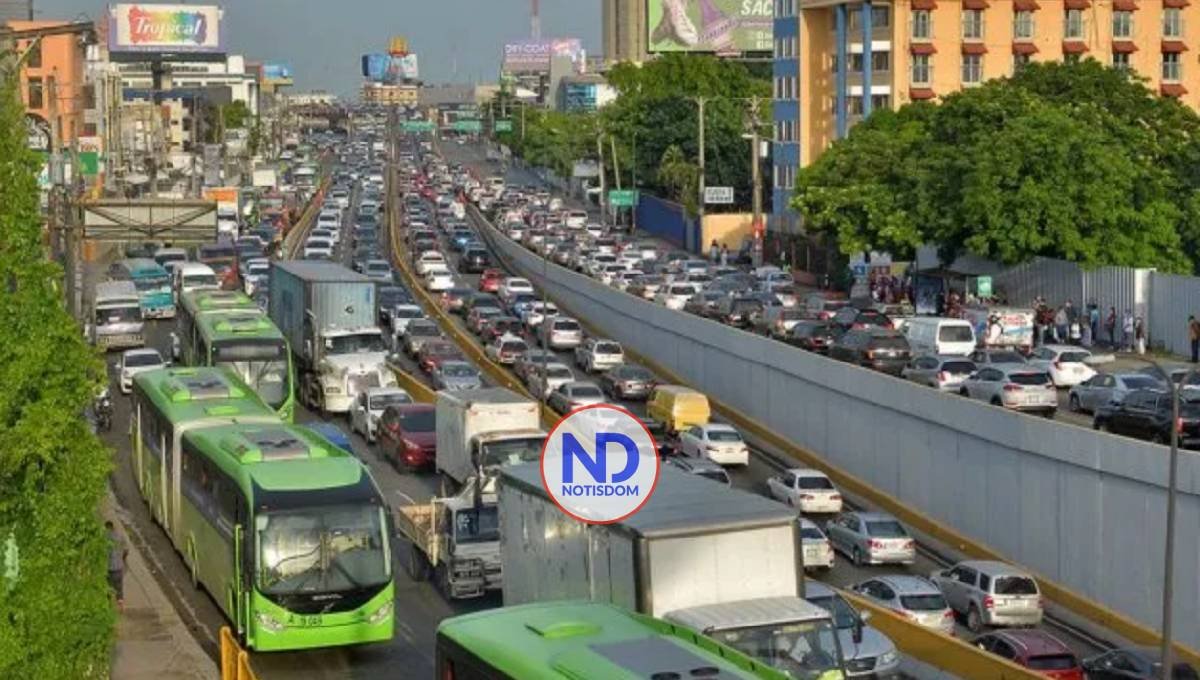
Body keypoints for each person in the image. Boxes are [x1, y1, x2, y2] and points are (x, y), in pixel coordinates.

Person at [107, 520, 128, 610]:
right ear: (113, 527)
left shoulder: (105, 538)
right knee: (119, 587)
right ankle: (121, 605)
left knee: (108, 587)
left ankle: (108, 606)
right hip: (119, 567)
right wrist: (122, 558)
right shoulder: (120, 536)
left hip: (109, 568)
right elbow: (126, 549)